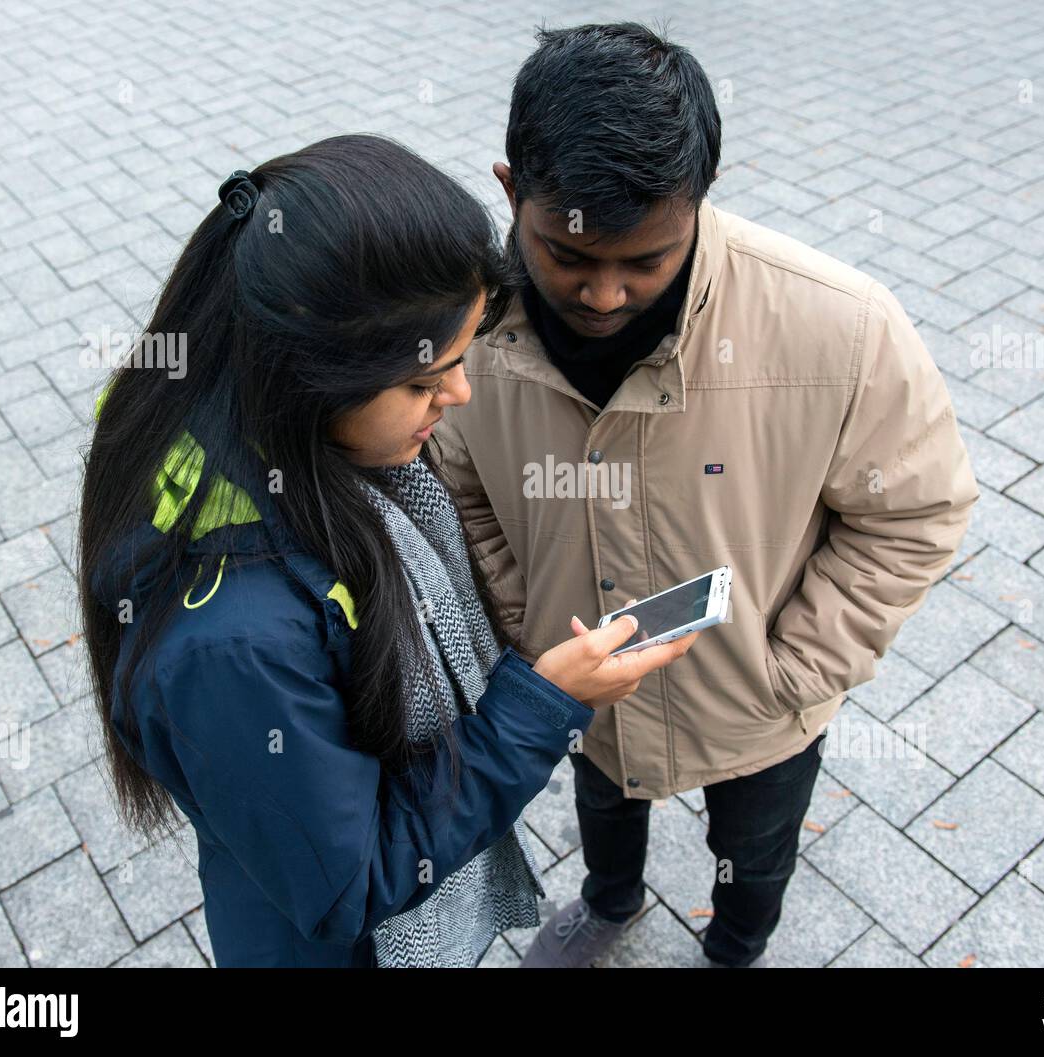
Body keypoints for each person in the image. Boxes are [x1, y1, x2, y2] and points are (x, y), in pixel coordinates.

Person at [77, 133, 699, 968]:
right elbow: (354, 880)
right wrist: (540, 704)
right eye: (423, 380)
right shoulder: (235, 644)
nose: (460, 392)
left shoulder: (267, 435)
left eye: (462, 356)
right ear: (309, 371)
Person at [433, 23, 980, 968]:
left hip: (758, 707)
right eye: (570, 258)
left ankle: (735, 946)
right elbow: (462, 485)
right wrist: (530, 632)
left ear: (699, 202)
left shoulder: (841, 328)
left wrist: (795, 670)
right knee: (604, 802)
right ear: (511, 189)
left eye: (645, 261)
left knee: (754, 849)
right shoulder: (464, 329)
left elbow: (916, 511)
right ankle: (610, 902)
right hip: (582, 687)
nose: (604, 296)